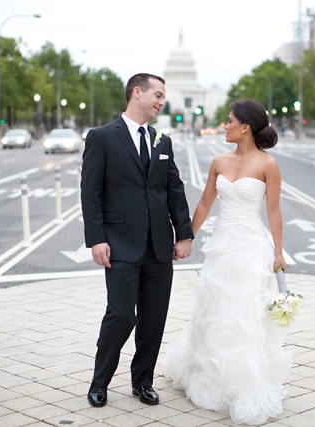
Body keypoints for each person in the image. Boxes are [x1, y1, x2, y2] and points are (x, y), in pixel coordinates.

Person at [165, 99, 291, 425]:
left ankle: (243, 379)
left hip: (251, 247)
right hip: (221, 246)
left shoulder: (268, 164)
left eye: (230, 120)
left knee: (245, 312)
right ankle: (211, 374)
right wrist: (186, 237)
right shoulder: (219, 161)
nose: (225, 124)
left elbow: (273, 210)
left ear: (245, 127)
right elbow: (206, 202)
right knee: (216, 307)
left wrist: (279, 252)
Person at [81, 73, 194, 408]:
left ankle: (142, 381)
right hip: (119, 244)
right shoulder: (102, 137)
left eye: (163, 96)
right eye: (157, 95)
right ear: (137, 93)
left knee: (153, 317)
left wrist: (183, 234)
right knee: (120, 315)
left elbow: (174, 189)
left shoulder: (163, 140)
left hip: (159, 245)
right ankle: (99, 381)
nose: (162, 101)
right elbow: (91, 193)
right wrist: (96, 239)